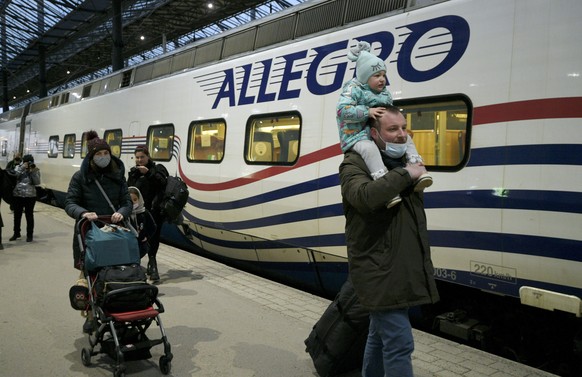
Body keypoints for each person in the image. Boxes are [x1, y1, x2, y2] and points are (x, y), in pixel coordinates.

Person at [338, 105, 440, 377]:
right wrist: (406, 174)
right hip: (377, 268)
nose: (401, 134)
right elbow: (364, 197)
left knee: (379, 335)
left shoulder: (405, 161)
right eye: (393, 129)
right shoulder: (353, 164)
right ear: (374, 134)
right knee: (399, 342)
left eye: (404, 128)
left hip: (398, 267)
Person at [337, 41, 432, 208]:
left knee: (408, 139)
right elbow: (342, 111)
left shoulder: (384, 93)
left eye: (383, 75)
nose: (382, 80)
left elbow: (388, 112)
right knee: (369, 149)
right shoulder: (353, 89)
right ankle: (384, 184)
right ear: (365, 76)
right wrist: (367, 112)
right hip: (355, 135)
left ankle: (418, 168)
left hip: (372, 132)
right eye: (376, 76)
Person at [64, 130, 132, 333]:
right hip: (89, 234)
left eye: (106, 153)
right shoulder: (80, 177)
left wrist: (121, 212)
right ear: (91, 157)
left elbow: (127, 202)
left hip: (114, 233)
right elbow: (70, 203)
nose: (103, 157)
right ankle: (91, 315)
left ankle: (117, 312)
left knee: (117, 275)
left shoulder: (118, 176)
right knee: (90, 276)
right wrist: (83, 213)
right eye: (98, 154)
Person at [127, 145, 168, 282]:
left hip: (155, 211)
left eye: (142, 157)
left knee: (154, 237)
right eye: (137, 157)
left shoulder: (157, 169)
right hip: (139, 213)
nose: (139, 160)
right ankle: (137, 266)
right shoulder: (133, 172)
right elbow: (130, 190)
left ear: (148, 156)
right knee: (138, 238)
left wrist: (148, 173)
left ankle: (152, 263)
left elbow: (162, 184)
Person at [8, 154, 41, 242]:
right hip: (18, 194)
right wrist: (22, 168)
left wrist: (33, 172)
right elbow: (14, 177)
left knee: (29, 215)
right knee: (17, 215)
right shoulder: (18, 167)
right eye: (27, 162)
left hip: (30, 196)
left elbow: (37, 182)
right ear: (23, 161)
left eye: (30, 162)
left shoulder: (35, 169)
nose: (29, 164)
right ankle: (16, 233)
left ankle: (30, 235)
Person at [128, 186, 157, 259]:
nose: (133, 203)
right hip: (127, 244)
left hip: (140, 245)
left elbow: (153, 226)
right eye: (130, 201)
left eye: (135, 200)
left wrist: (146, 237)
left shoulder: (144, 212)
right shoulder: (124, 213)